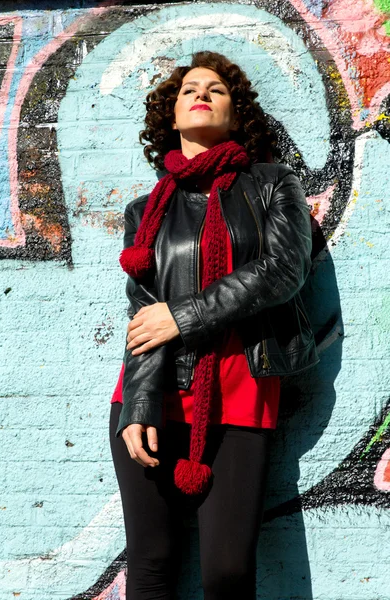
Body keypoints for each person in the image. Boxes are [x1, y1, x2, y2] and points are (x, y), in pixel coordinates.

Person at [109, 50, 319, 600]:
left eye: (216, 89)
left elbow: (282, 271)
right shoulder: (145, 209)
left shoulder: (273, 185)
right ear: (171, 117)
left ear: (236, 114)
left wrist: (183, 316)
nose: (201, 93)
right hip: (153, 391)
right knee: (151, 565)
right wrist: (137, 405)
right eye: (187, 90)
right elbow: (144, 316)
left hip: (241, 388)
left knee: (227, 573)